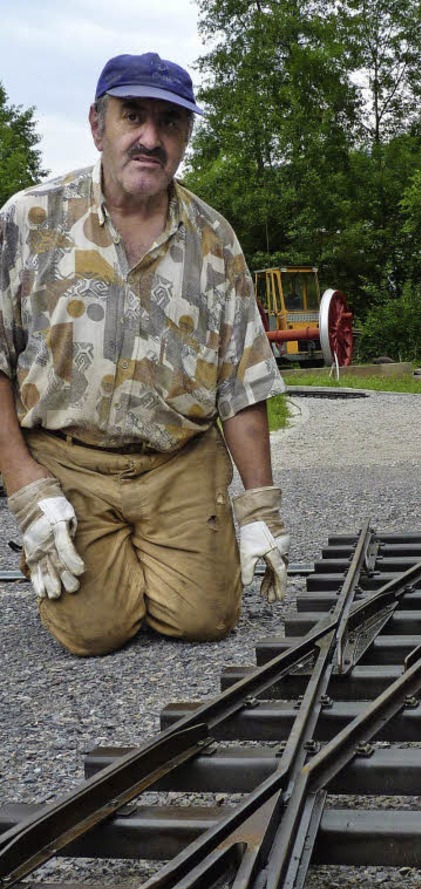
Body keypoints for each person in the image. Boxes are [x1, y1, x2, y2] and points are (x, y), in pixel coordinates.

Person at [0, 52, 288, 657]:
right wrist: (25, 485)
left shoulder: (215, 241)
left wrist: (260, 507)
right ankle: (92, 557)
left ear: (185, 136)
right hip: (69, 461)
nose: (150, 139)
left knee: (205, 620)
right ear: (97, 124)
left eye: (169, 123)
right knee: (97, 633)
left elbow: (242, 383)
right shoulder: (28, 221)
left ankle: (152, 555)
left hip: (177, 462)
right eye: (133, 116)